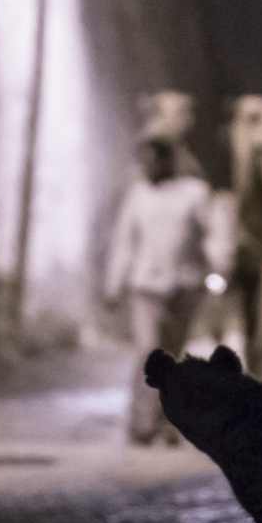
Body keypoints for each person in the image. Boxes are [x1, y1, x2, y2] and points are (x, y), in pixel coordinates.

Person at [105, 136, 222, 444]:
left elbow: (210, 234)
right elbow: (124, 241)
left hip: (183, 286)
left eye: (154, 160)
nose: (148, 167)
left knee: (172, 355)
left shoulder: (193, 194)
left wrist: (219, 266)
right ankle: (141, 423)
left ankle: (168, 422)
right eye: (144, 161)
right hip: (145, 286)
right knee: (147, 349)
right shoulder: (138, 195)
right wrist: (113, 284)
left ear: (169, 161)